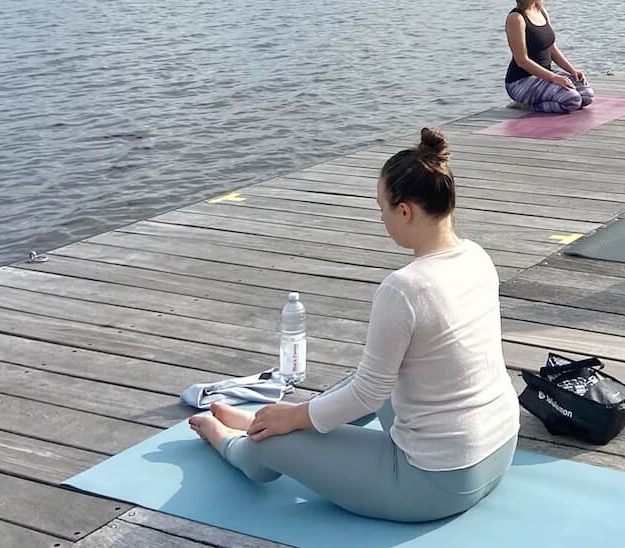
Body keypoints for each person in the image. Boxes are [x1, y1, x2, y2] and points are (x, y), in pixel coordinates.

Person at [190, 129, 519, 523]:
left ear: (405, 211)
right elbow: (374, 386)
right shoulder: (478, 257)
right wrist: (296, 415)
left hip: (436, 482)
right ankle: (265, 422)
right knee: (377, 377)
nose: (380, 217)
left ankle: (233, 442)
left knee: (270, 449)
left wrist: (293, 421)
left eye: (381, 207)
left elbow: (366, 395)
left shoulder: (404, 288)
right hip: (499, 448)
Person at [503, 0, 593, 113]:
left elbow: (551, 47)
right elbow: (522, 60)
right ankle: (526, 105)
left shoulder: (541, 11)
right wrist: (554, 78)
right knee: (572, 100)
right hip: (521, 82)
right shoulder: (516, 18)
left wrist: (572, 70)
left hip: (544, 77)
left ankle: (546, 95)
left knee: (586, 95)